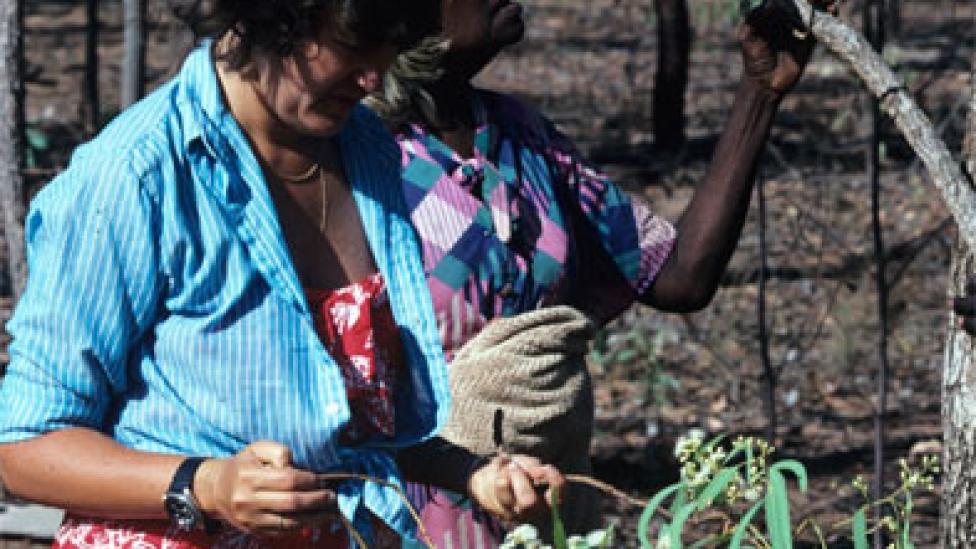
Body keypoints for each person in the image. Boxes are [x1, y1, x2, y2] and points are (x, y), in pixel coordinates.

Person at [0, 1, 564, 547]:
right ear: (268, 20)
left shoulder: (366, 152)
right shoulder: (136, 176)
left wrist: (469, 473)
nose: (372, 78)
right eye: (351, 47)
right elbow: (24, 446)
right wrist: (207, 486)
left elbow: (345, 427)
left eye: (388, 49)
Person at [365, 0, 828, 545]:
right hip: (410, 508)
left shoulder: (519, 134)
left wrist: (759, 92)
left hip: (547, 496)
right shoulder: (361, 156)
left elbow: (678, 276)